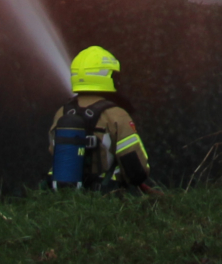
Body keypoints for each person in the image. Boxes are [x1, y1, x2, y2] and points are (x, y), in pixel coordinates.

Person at [51, 45, 153, 192]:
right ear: (108, 76)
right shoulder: (116, 115)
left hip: (65, 197)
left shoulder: (62, 113)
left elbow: (54, 152)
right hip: (106, 196)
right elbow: (136, 170)